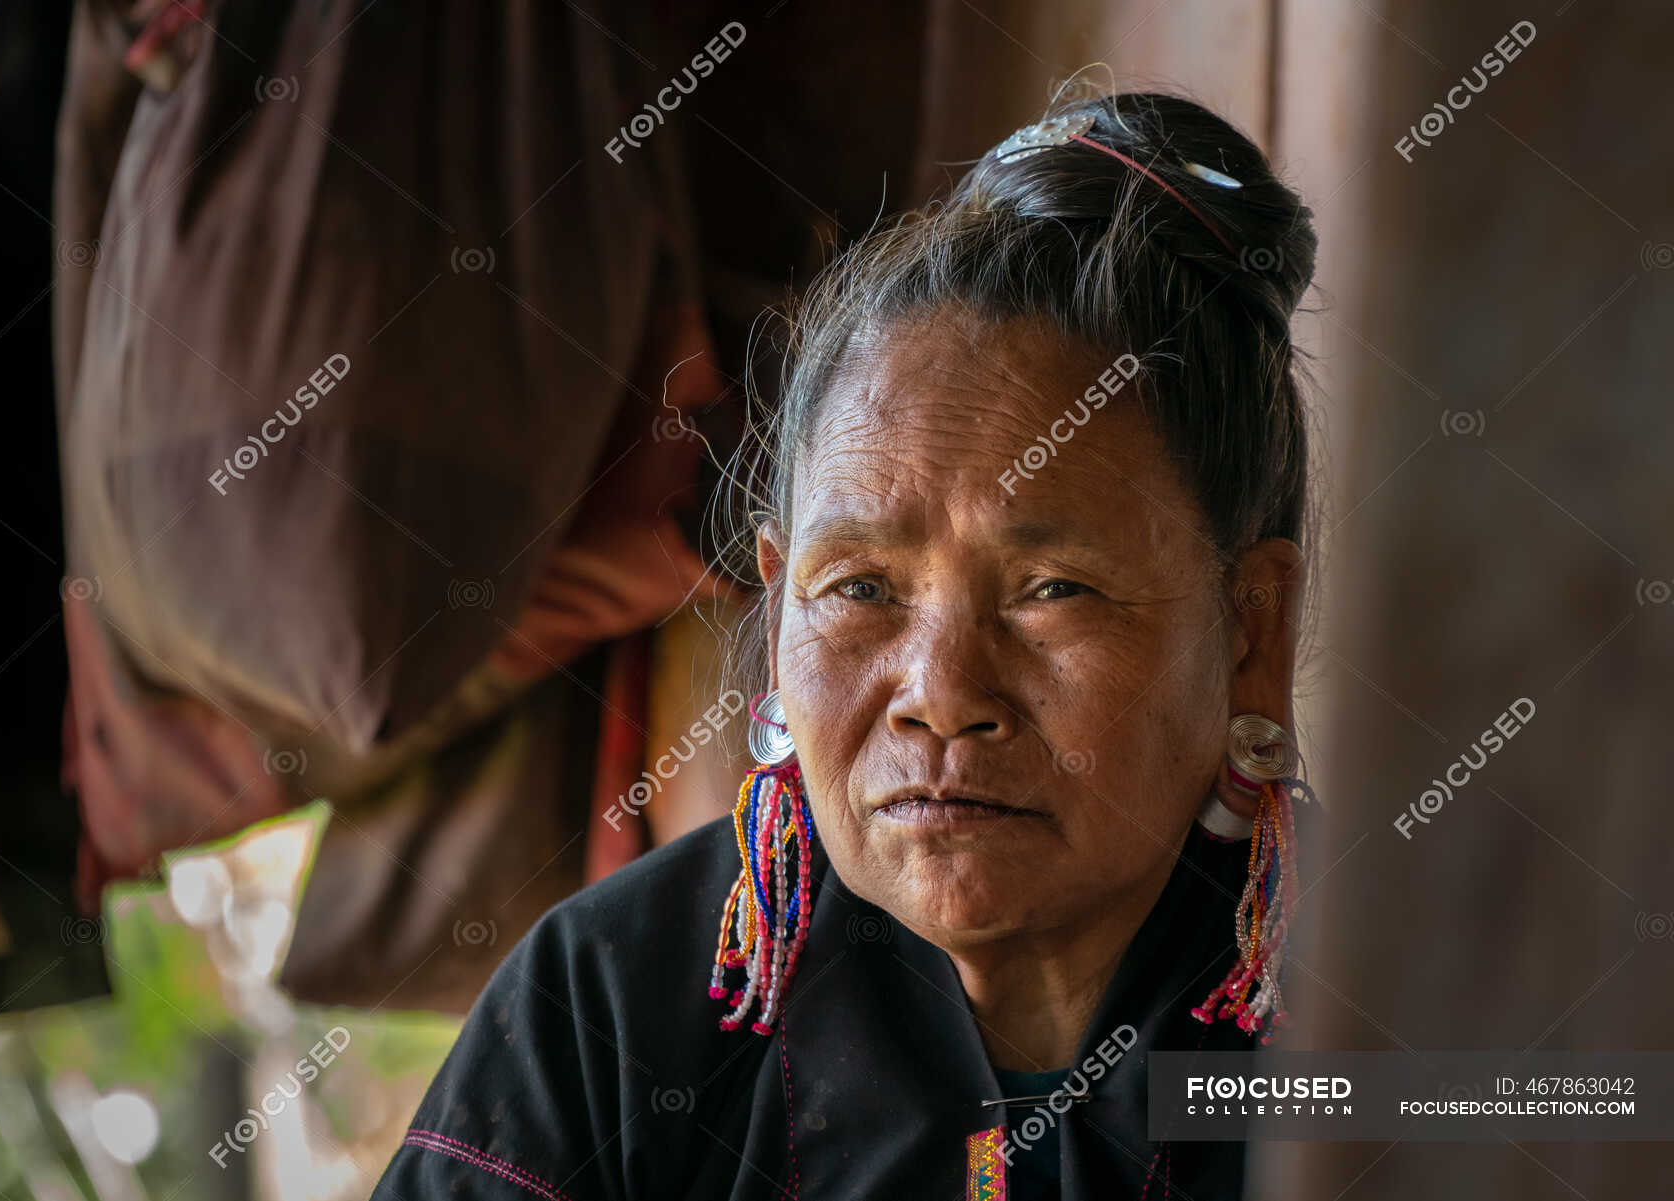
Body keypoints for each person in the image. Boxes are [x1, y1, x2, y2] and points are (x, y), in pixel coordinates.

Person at [372, 87, 1319, 1200]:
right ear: (778, 611)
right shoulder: (614, 1010)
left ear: (1250, 629)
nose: (940, 692)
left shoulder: (1404, 1027)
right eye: (859, 586)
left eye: (1051, 589)